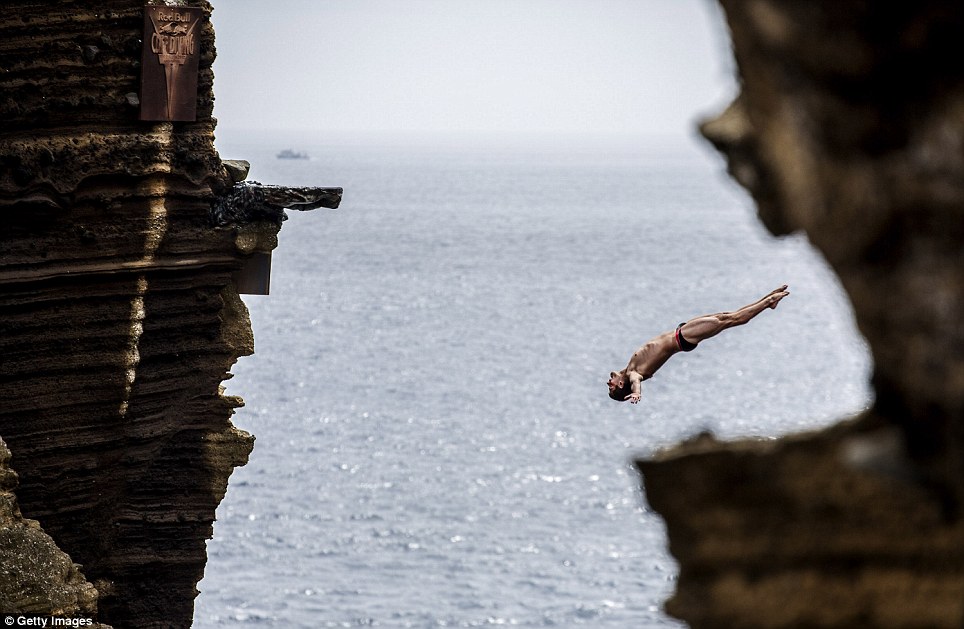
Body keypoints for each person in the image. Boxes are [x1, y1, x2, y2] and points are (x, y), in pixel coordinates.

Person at [608, 285, 790, 403]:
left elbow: (628, 377)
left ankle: (768, 300)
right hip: (682, 338)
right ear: (622, 384)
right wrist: (636, 392)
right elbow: (636, 381)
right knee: (731, 320)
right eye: (611, 385)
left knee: (728, 316)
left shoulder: (630, 368)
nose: (609, 381)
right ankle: (768, 301)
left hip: (681, 332)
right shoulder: (633, 374)